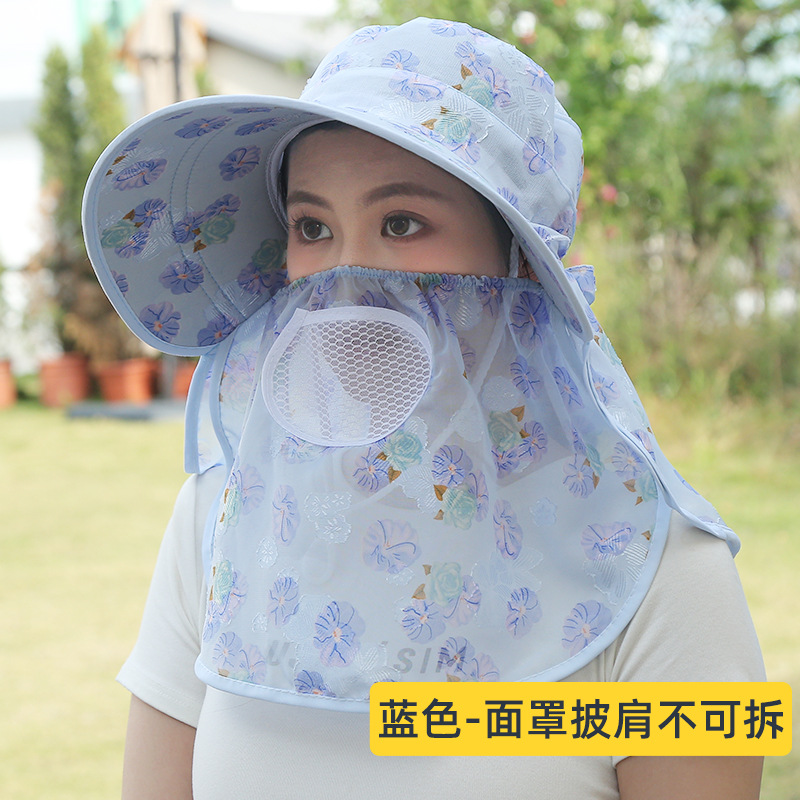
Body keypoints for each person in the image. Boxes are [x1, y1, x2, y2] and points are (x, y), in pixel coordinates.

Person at [82, 17, 765, 800]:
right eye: (312, 227)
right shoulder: (224, 520)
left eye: (402, 223)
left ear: (520, 263)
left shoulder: (667, 569)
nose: (344, 279)